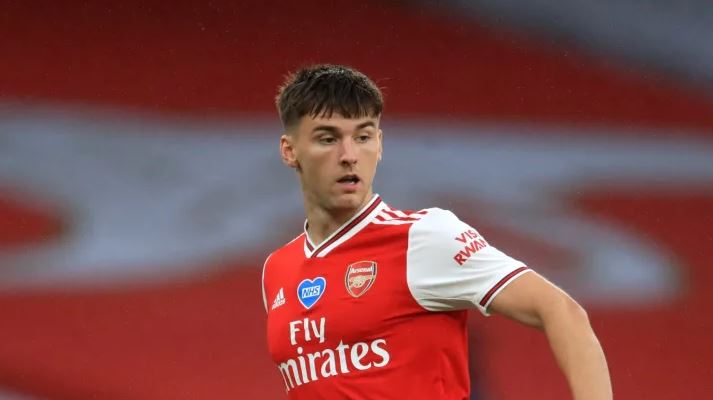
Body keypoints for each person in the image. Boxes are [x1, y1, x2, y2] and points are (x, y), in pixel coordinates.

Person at [262, 64, 612, 399]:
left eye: (363, 137)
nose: (349, 155)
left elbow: (561, 311)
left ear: (379, 144)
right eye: (328, 139)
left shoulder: (424, 237)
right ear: (290, 151)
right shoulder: (277, 270)